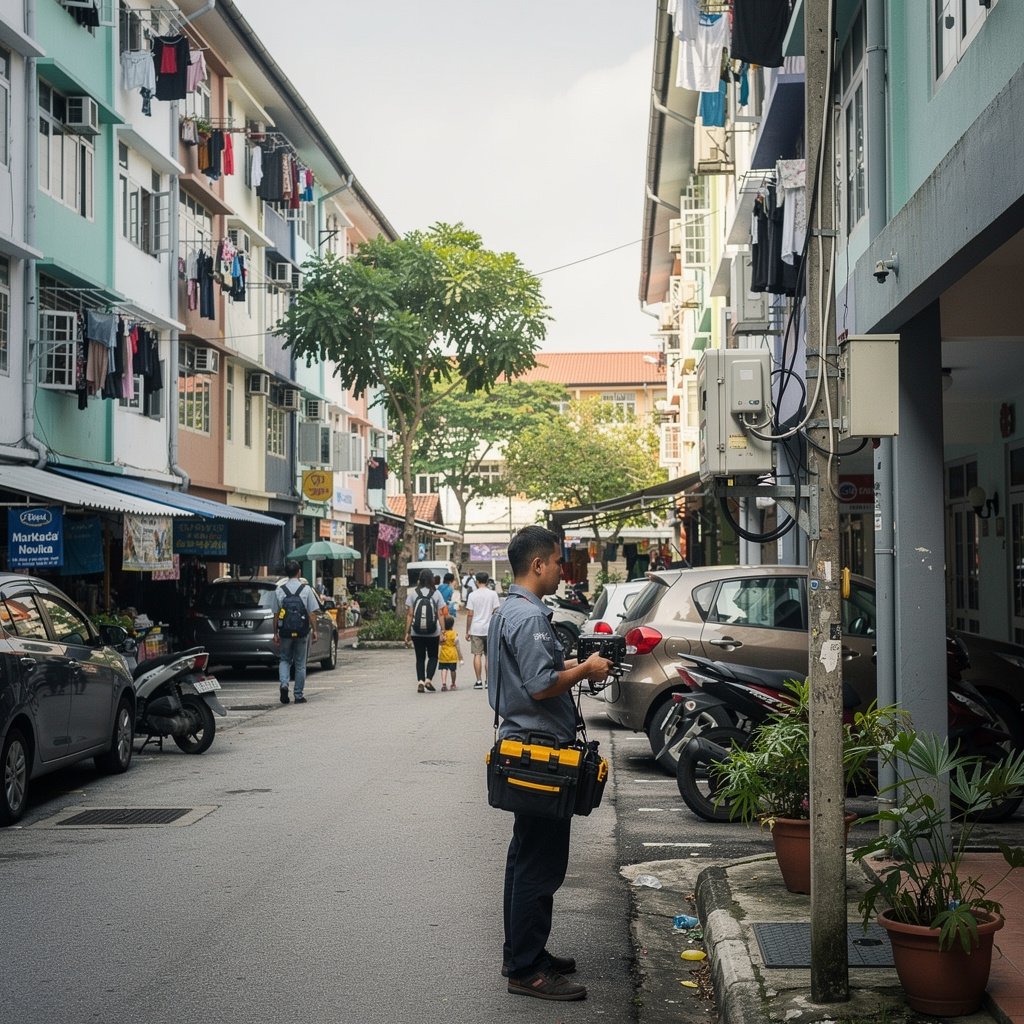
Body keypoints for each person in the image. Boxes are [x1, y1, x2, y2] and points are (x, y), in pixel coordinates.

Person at [487, 525, 613, 1002]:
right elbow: (541, 685)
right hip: (539, 753)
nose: (562, 569)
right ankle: (527, 969)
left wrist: (573, 666)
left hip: (524, 747)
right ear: (538, 565)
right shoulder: (530, 617)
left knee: (524, 858)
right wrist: (587, 669)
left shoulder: (508, 611)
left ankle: (522, 953)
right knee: (539, 866)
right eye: (558, 562)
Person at [273, 560, 320, 705]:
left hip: (285, 631)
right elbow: (312, 613)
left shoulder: (279, 590)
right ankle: (298, 695)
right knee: (300, 664)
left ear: (286, 573)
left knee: (284, 659)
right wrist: (315, 630)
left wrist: (275, 632)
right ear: (299, 572)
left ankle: (284, 684)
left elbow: (276, 614)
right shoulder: (306, 590)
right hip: (302, 631)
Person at [404, 568, 448, 693]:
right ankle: (428, 679)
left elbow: (410, 614)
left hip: (416, 632)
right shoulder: (436, 593)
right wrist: (443, 630)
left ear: (420, 579)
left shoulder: (413, 593)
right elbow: (440, 614)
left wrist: (407, 632)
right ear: (431, 579)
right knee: (433, 656)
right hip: (433, 632)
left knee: (420, 658)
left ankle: (420, 681)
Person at [465, 571, 500, 689]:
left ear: (477, 581)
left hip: (476, 629)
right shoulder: (493, 594)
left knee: (477, 655)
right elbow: (496, 611)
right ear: (487, 581)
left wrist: (467, 630)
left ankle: (478, 681)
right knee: (488, 656)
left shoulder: (472, 595)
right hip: (490, 628)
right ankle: (488, 681)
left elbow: (470, 614)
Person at [437, 615, 463, 691]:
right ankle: (453, 683)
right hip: (452, 655)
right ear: (452, 625)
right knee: (453, 670)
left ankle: (444, 683)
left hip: (443, 654)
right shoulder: (454, 634)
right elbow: (457, 646)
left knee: (443, 669)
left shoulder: (443, 634)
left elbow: (439, 643)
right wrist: (460, 657)